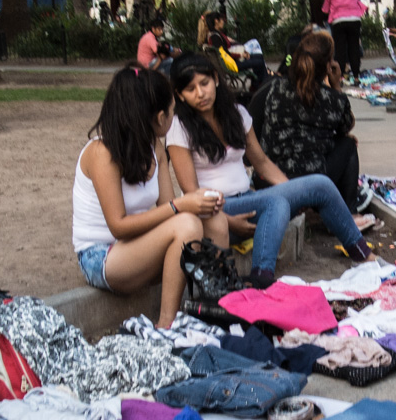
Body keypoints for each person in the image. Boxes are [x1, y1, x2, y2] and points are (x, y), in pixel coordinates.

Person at [167, 53, 373, 288]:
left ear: (215, 79)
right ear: (180, 95)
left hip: (250, 201)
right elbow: (192, 193)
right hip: (214, 214)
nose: (200, 93)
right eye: (190, 89)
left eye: (204, 83)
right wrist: (228, 221)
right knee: (276, 203)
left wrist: (295, 192)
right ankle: (262, 277)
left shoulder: (237, 113)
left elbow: (262, 162)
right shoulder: (179, 128)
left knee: (319, 184)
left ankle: (363, 254)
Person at [72, 64, 228, 327]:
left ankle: (214, 305)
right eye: (172, 111)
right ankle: (166, 324)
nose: (174, 116)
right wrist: (181, 205)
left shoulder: (154, 146)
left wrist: (201, 202)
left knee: (214, 219)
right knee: (187, 223)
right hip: (101, 257)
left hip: (139, 247)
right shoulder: (101, 152)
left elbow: (167, 207)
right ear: (159, 117)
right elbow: (119, 226)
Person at [258, 32, 366, 211]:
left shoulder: (276, 88)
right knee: (348, 144)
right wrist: (336, 85)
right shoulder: (332, 99)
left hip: (271, 178)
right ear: (328, 65)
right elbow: (347, 125)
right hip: (312, 182)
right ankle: (349, 210)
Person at [324, 0, 369, 84]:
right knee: (354, 47)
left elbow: (325, 8)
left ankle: (340, 78)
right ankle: (356, 77)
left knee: (340, 50)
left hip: (338, 21)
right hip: (354, 19)